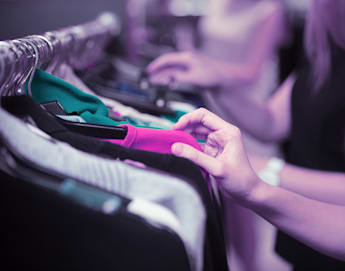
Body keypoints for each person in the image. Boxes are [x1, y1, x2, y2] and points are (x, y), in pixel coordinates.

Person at [147, 0, 345, 270]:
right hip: (307, 234)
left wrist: (265, 172)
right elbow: (272, 121)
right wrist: (217, 81)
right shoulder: (325, 51)